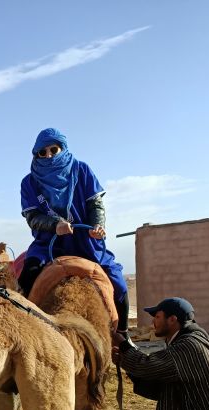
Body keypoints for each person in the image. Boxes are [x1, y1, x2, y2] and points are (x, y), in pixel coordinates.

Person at [18, 128, 129, 333]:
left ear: (63, 148)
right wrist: (54, 226)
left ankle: (123, 337)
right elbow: (33, 217)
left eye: (53, 149)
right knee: (27, 278)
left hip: (85, 241)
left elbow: (95, 204)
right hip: (48, 244)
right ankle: (26, 332)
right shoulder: (29, 182)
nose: (49, 155)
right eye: (43, 152)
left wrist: (98, 226)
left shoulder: (81, 170)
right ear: (37, 155)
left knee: (118, 283)